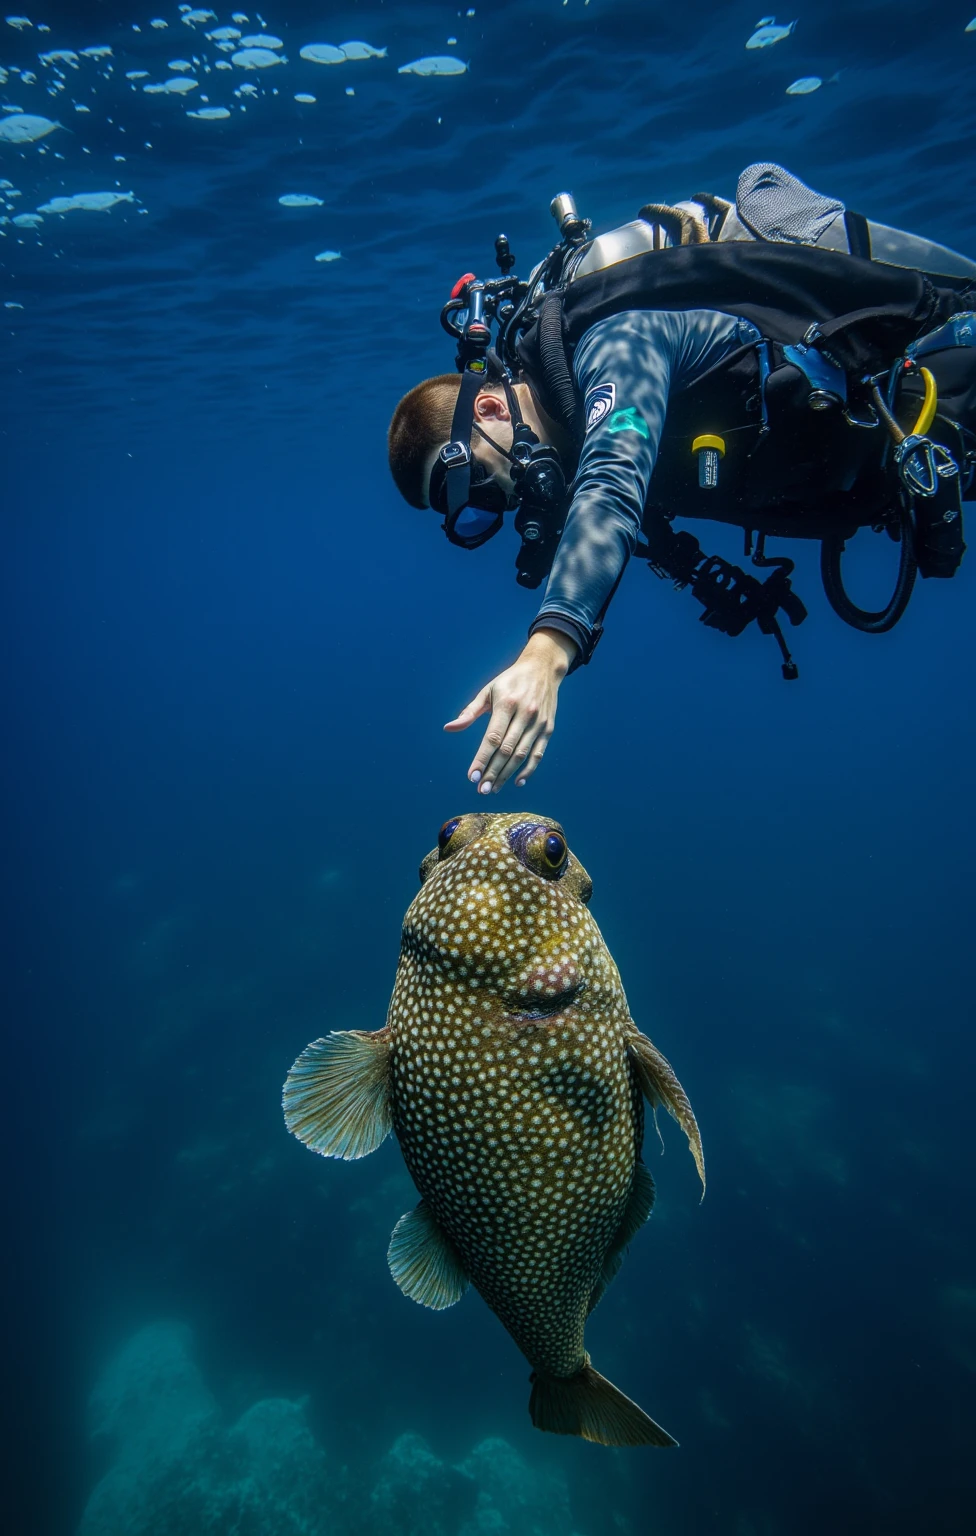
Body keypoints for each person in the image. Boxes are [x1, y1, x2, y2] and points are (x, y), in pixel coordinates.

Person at [388, 165, 976, 795]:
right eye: (473, 517)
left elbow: (615, 477)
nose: (496, 504)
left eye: (473, 483)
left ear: (489, 408)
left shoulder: (613, 340)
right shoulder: (572, 430)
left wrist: (548, 651)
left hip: (951, 383)